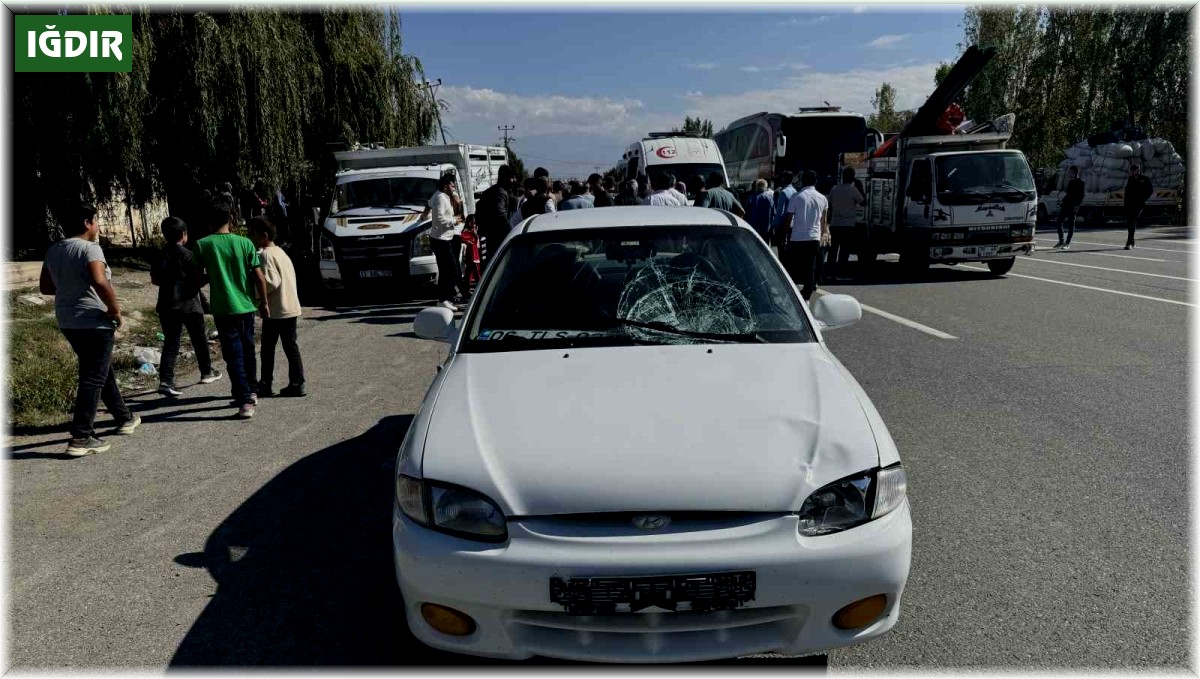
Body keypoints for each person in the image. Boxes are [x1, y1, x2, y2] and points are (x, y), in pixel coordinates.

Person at [39, 204, 141, 456]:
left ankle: (124, 417)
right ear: (87, 223)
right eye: (96, 220)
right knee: (93, 376)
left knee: (100, 370)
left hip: (68, 321)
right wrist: (115, 310)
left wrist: (71, 288)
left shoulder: (54, 250)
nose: (98, 225)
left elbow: (46, 287)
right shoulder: (90, 248)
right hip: (94, 320)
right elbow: (99, 280)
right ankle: (81, 436)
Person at [194, 193, 270, 419]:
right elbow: (259, 278)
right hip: (246, 306)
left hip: (223, 308)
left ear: (208, 221)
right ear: (230, 217)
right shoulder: (245, 243)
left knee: (233, 355)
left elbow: (198, 280)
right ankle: (251, 391)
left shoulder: (202, 245)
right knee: (248, 351)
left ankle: (244, 398)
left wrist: (214, 274)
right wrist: (263, 303)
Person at [151, 216, 221, 398]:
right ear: (184, 234)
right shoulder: (189, 255)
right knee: (198, 339)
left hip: (167, 305)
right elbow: (198, 278)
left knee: (171, 343)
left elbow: (155, 279)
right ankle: (206, 371)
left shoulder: (159, 255)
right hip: (189, 303)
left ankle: (166, 380)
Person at [246, 216, 305, 398]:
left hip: (275, 310)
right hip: (290, 307)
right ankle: (297, 382)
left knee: (268, 349)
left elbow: (271, 282)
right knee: (290, 346)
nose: (251, 238)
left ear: (263, 236)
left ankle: (266, 383)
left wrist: (254, 291)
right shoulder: (281, 252)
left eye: (253, 234)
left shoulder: (264, 254)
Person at [783, 170, 830, 301]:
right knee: (810, 266)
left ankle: (791, 290)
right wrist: (823, 234)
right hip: (814, 236)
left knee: (793, 265)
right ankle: (807, 292)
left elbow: (788, 217)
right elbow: (823, 220)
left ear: (802, 181)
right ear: (815, 181)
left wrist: (785, 233)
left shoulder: (796, 197)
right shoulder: (822, 198)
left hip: (797, 237)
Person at [427, 173, 470, 311]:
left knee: (446, 270)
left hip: (444, 238)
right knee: (451, 269)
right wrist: (454, 220)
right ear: (446, 186)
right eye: (452, 185)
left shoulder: (442, 196)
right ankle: (444, 298)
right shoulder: (441, 197)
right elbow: (440, 219)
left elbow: (429, 205)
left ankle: (444, 299)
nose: (454, 187)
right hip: (440, 240)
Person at [826, 167, 865, 280]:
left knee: (833, 250)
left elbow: (829, 204)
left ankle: (830, 272)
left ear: (842, 176)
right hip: (848, 224)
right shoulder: (853, 189)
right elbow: (863, 202)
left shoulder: (835, 189)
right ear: (852, 177)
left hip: (835, 223)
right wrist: (860, 187)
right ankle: (841, 273)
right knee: (844, 250)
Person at [476, 164, 515, 266]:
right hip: (498, 237)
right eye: (512, 177)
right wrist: (510, 230)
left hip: (489, 235)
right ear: (504, 177)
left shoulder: (490, 191)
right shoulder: (501, 193)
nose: (513, 180)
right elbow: (500, 213)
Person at [1055, 166, 1085, 250]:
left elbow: (1081, 196)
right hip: (1066, 204)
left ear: (1074, 172)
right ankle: (1061, 240)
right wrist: (1063, 201)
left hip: (1073, 205)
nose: (1068, 173)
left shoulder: (1081, 182)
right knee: (1059, 222)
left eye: (1070, 172)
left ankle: (1067, 243)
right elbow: (1069, 194)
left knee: (1071, 224)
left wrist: (1077, 205)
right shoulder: (1070, 182)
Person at [1124, 163, 1153, 249]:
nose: (1132, 172)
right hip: (1129, 204)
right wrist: (1125, 203)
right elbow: (1127, 192)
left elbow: (1150, 190)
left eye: (1134, 170)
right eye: (1131, 171)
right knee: (1130, 223)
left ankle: (1128, 243)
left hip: (1139, 204)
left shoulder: (1144, 179)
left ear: (1138, 170)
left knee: (1132, 221)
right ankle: (1132, 242)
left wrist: (1143, 199)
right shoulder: (1130, 179)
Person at [458, 214, 484, 286]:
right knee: (476, 275)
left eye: (474, 223)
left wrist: (475, 234)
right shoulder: (466, 231)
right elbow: (462, 238)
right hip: (472, 255)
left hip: (475, 255)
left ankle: (466, 290)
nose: (473, 225)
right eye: (472, 223)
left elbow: (477, 242)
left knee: (469, 274)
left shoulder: (474, 231)